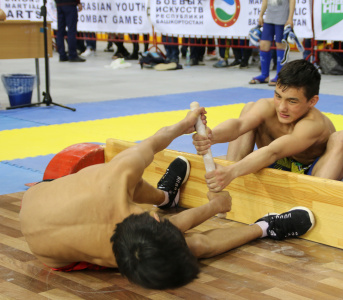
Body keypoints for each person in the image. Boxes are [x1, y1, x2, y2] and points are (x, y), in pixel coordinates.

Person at [19, 107, 315, 290]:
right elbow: (170, 234)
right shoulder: (113, 250)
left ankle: (165, 197)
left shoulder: (117, 176)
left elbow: (158, 139)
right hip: (56, 254)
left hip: (39, 212)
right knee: (194, 247)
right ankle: (265, 227)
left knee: (135, 192)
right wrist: (213, 206)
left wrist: (186, 123)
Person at [193, 60, 343, 193]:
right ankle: (229, 177)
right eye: (278, 96)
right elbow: (239, 125)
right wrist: (211, 136)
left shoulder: (314, 124)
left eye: (292, 101)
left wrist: (232, 171)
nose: (282, 107)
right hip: (279, 163)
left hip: (313, 173)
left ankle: (316, 198)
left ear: (312, 101)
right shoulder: (268, 107)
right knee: (250, 109)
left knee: (341, 138)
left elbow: (274, 151)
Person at [249, 0, 295, 85]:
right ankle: (264, 75)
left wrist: (290, 18)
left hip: (282, 17)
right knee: (263, 44)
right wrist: (261, 15)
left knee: (280, 44)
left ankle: (281, 76)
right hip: (269, 17)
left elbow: (292, 1)